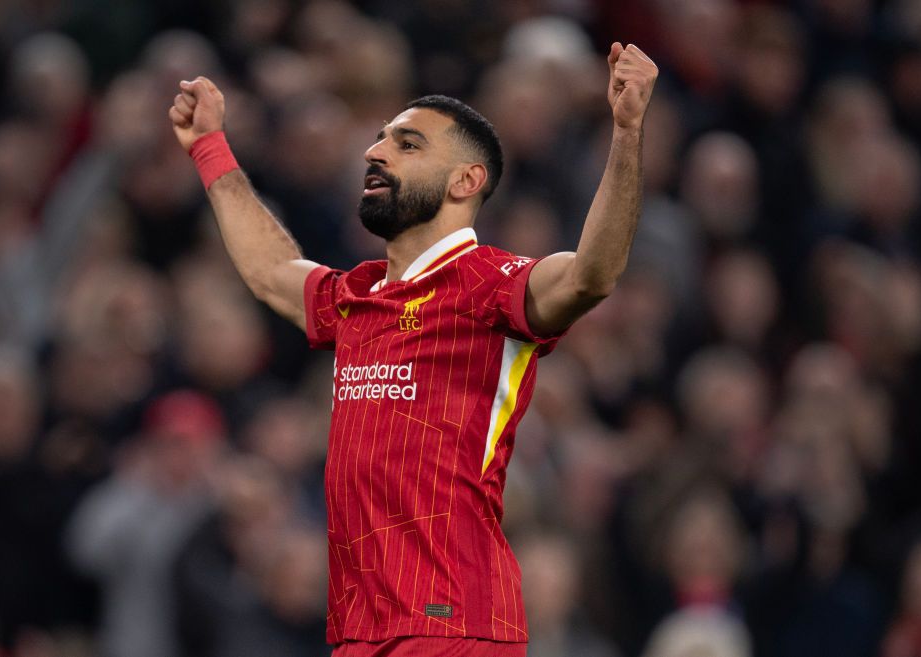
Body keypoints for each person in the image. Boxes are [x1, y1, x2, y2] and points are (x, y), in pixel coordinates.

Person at [168, 41, 658, 657]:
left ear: (466, 180)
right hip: (358, 627)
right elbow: (272, 272)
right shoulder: (360, 294)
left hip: (449, 623)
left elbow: (592, 275)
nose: (374, 152)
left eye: (407, 144)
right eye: (379, 139)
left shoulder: (493, 284)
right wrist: (211, 148)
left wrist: (627, 131)